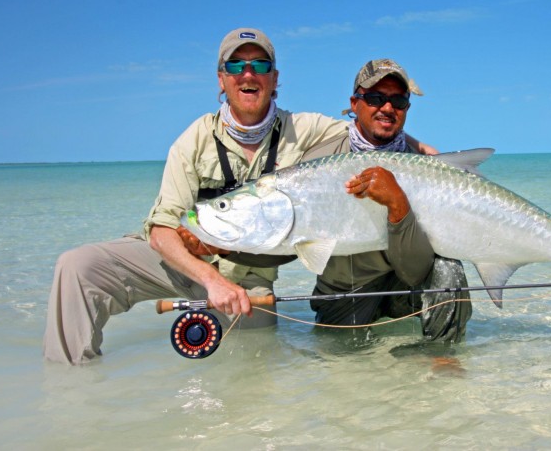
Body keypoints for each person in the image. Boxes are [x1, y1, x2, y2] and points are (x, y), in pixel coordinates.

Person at [43, 28, 435, 365]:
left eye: (260, 66)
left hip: (248, 282)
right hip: (184, 259)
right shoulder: (195, 137)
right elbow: (161, 231)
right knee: (79, 267)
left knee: (253, 370)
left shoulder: (305, 129)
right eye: (236, 66)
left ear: (274, 78)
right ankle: (70, 391)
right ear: (221, 79)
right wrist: (210, 279)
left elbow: (371, 126)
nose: (249, 74)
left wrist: (421, 152)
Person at [301, 59, 472, 342]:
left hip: (404, 281)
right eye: (376, 98)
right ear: (354, 104)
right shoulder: (317, 162)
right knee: (338, 364)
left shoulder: (425, 165)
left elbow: (417, 268)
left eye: (399, 100)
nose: (388, 108)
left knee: (448, 269)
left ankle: (443, 366)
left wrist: (398, 205)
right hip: (346, 291)